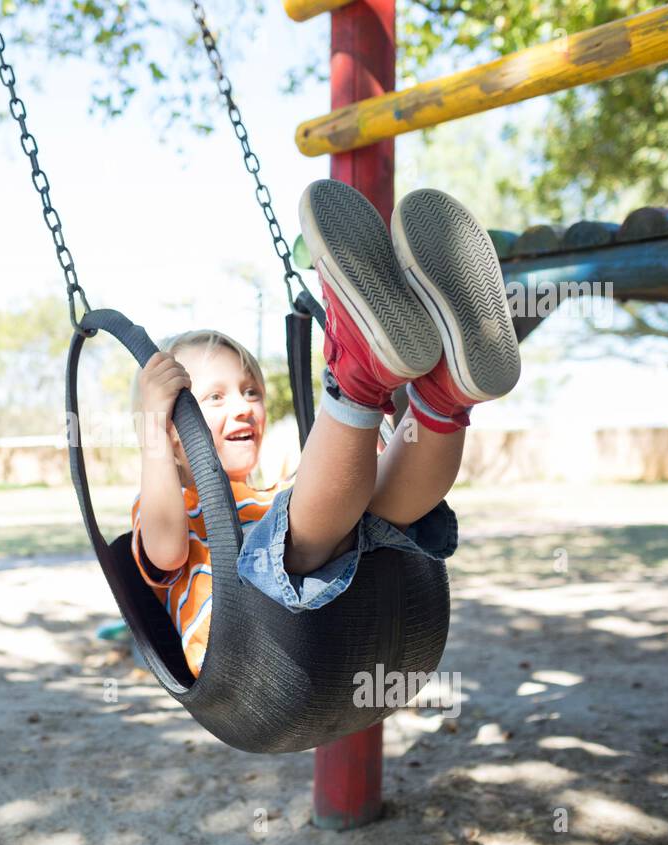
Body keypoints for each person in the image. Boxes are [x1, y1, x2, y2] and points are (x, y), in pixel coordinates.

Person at [130, 181, 521, 678]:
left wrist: (357, 461)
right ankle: (358, 381)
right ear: (171, 434)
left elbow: (330, 502)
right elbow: (165, 551)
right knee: (296, 537)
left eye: (250, 391)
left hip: (345, 613)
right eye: (216, 398)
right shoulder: (169, 506)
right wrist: (152, 436)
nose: (244, 407)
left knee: (377, 507)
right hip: (253, 655)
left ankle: (445, 395)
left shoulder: (272, 494)